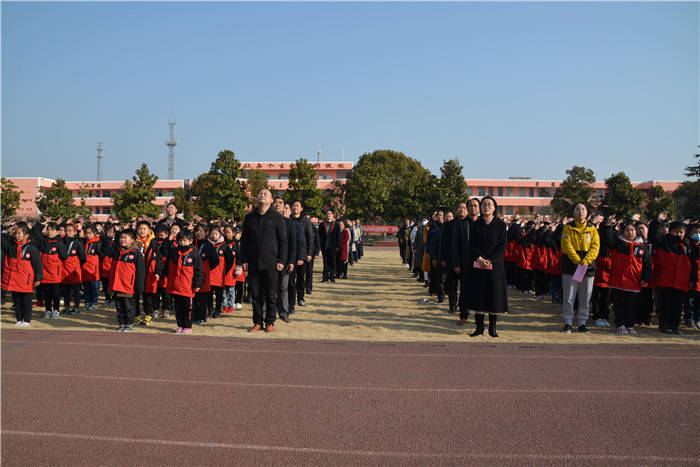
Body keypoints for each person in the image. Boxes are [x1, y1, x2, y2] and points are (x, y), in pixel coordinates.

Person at [239, 189, 287, 333]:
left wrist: (281, 260)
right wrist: (244, 260)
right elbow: (244, 241)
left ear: (271, 200)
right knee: (256, 294)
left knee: (271, 294)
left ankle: (270, 322)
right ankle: (257, 322)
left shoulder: (277, 217)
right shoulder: (249, 218)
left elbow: (283, 241)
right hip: (253, 263)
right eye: (260, 193)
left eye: (265, 194)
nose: (262, 195)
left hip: (271, 262)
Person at [463, 196, 508, 337]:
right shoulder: (475, 224)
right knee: (479, 296)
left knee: (493, 296)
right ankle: (479, 328)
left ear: (494, 207)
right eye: (483, 204)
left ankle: (492, 328)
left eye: (489, 204)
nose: (486, 207)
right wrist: (480, 258)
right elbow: (472, 245)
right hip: (478, 265)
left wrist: (491, 260)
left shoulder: (500, 225)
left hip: (495, 266)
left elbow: (502, 246)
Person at [603, 218, 652, 336]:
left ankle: (630, 325)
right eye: (627, 230)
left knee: (632, 305)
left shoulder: (641, 247)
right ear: (622, 232)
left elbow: (647, 264)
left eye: (632, 230)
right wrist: (607, 226)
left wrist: (645, 278)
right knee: (620, 305)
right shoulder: (618, 244)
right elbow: (608, 239)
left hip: (634, 282)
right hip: (619, 281)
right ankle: (620, 325)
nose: (630, 232)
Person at [560, 202, 600, 333]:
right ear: (573, 213)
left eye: (583, 209)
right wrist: (577, 261)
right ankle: (568, 322)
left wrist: (586, 261)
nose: (580, 211)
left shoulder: (592, 229)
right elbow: (566, 246)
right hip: (571, 266)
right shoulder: (568, 228)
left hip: (587, 268)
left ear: (587, 212)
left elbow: (595, 246)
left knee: (585, 298)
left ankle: (582, 323)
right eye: (577, 209)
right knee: (569, 297)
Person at [651, 221, 691, 334]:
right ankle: (665, 325)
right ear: (670, 231)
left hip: (681, 281)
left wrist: (692, 279)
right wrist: (657, 221)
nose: (679, 234)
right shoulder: (663, 242)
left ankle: (675, 325)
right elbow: (653, 236)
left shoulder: (687, 246)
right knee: (665, 305)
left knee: (677, 306)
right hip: (665, 280)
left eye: (681, 232)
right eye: (676, 231)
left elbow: (691, 265)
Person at [1, 223, 43, 327]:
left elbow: (37, 264)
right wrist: (7, 232)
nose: (17, 235)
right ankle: (19, 319)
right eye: (15, 233)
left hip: (26, 279)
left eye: (19, 233)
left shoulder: (32, 248)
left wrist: (38, 278)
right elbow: (3, 241)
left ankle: (27, 320)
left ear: (26, 236)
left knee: (26, 301)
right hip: (15, 279)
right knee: (17, 301)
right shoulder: (12, 246)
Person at [164, 229, 203, 334]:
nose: (182, 243)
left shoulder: (194, 253)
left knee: (188, 308)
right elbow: (164, 253)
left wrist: (197, 284)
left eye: (185, 240)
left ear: (190, 241)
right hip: (175, 285)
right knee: (178, 307)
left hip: (188, 286)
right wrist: (169, 239)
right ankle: (180, 324)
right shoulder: (174, 252)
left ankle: (187, 326)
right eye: (180, 240)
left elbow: (199, 270)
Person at [108, 229, 146, 332]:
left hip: (129, 287)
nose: (122, 240)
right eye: (121, 237)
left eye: (125, 238)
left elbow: (140, 273)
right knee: (119, 307)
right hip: (117, 286)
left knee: (129, 307)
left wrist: (139, 287)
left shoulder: (136, 254)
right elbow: (112, 271)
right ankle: (121, 323)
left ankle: (129, 324)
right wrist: (110, 286)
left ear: (132, 240)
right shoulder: (117, 253)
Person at [34, 222, 67, 319]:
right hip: (45, 272)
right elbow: (35, 232)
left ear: (57, 232)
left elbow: (64, 256)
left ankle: (56, 310)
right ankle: (48, 310)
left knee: (55, 293)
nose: (49, 232)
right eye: (48, 229)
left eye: (52, 230)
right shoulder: (43, 241)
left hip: (55, 273)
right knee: (47, 293)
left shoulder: (60, 243)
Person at [273, 197, 297, 323]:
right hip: (269, 261)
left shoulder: (290, 224)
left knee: (283, 288)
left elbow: (293, 245)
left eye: (281, 203)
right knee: (269, 288)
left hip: (286, 261)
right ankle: (267, 312)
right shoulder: (267, 220)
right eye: (275, 202)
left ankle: (283, 312)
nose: (278, 205)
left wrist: (292, 261)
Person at [291, 201, 313, 307]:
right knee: (290, 279)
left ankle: (300, 298)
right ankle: (290, 300)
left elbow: (310, 237)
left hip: (302, 253)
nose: (295, 208)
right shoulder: (288, 219)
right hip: (291, 254)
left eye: (297, 206)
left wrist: (309, 253)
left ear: (301, 208)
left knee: (300, 278)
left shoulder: (306, 221)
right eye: (293, 206)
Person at [61, 223, 86, 315]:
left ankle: (76, 307)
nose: (68, 233)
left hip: (74, 269)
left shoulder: (78, 243)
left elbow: (83, 257)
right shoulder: (62, 241)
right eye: (66, 230)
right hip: (64, 269)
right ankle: (66, 307)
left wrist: (77, 266)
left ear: (75, 232)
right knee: (66, 290)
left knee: (76, 290)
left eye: (70, 231)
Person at [81, 224, 102, 310]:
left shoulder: (98, 242)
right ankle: (87, 302)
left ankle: (94, 302)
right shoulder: (83, 241)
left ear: (95, 233)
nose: (88, 235)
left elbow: (101, 254)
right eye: (86, 233)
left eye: (90, 233)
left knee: (94, 286)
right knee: (86, 287)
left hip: (93, 268)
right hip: (85, 267)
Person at [319, 209, 341, 283]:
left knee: (333, 262)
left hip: (333, 247)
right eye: (327, 214)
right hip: (325, 246)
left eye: (330, 214)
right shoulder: (322, 225)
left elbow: (338, 236)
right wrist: (319, 245)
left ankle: (332, 278)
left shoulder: (336, 225)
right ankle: (325, 278)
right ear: (325, 215)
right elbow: (319, 236)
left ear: (332, 215)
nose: (328, 215)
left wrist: (338, 245)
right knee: (325, 263)